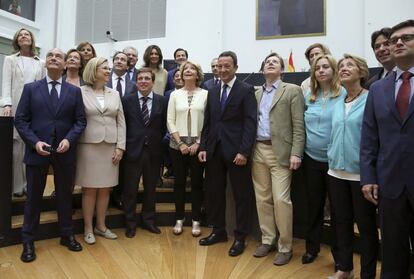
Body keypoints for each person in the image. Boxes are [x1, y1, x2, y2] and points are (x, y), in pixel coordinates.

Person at [14, 48, 86, 262]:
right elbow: (21, 120)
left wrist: (69, 139)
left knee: (64, 196)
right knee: (33, 198)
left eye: (58, 56)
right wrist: (35, 143)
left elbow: (80, 121)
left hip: (65, 151)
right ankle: (28, 240)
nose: (53, 58)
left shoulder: (75, 92)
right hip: (38, 151)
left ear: (65, 64)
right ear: (45, 63)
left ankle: (67, 234)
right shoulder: (30, 89)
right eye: (50, 56)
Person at [360, 19, 414, 278]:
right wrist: (368, 177)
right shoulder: (377, 89)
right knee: (392, 253)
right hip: (390, 185)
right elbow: (369, 138)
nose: (399, 43)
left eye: (407, 38)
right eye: (394, 40)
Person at [198, 51, 257, 257]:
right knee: (214, 193)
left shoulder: (246, 90)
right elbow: (208, 121)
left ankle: (240, 236)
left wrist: (244, 151)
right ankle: (219, 231)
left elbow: (250, 123)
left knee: (241, 195)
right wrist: (204, 147)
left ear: (235, 68)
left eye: (226, 66)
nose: (222, 70)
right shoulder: (212, 90)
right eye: (219, 66)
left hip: (236, 152)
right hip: (214, 150)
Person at [327, 54, 378, 279]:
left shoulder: (371, 99)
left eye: (350, 65)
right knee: (342, 224)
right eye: (341, 66)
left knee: (366, 229)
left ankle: (367, 274)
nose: (344, 68)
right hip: (335, 172)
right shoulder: (337, 102)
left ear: (362, 72)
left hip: (361, 175)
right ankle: (344, 268)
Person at [251, 52, 304, 265]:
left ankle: (285, 246)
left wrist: (296, 152)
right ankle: (267, 239)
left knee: (281, 200)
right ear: (262, 69)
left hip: (281, 152)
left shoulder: (292, 90)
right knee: (262, 198)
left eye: (275, 62)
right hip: (258, 150)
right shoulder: (255, 93)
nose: (270, 64)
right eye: (267, 62)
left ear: (282, 70)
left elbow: (299, 126)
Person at [75, 57, 126, 244]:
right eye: (104, 68)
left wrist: (120, 146)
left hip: (110, 147)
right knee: (89, 189)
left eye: (108, 68)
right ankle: (88, 228)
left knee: (106, 188)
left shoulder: (115, 94)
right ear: (93, 70)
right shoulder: (79, 92)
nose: (108, 71)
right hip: (88, 146)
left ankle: (101, 226)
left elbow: (121, 122)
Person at [301, 54, 345, 265]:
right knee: (314, 205)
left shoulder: (343, 93)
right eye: (317, 68)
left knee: (337, 209)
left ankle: (339, 256)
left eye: (326, 67)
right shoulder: (309, 94)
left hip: (334, 160)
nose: (321, 70)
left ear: (333, 70)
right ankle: (312, 248)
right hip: (311, 158)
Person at [121, 67, 168, 238]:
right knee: (130, 190)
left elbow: (163, 126)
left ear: (153, 82)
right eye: (140, 78)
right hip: (132, 151)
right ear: (136, 81)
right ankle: (130, 223)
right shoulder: (127, 101)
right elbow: (123, 125)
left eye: (147, 78)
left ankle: (149, 221)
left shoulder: (162, 101)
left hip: (153, 152)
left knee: (150, 189)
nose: (143, 81)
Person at [1, 28, 46, 197]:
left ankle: (30, 186)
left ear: (32, 39)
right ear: (17, 40)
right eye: (20, 35)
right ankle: (17, 187)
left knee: (32, 146)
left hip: (35, 110)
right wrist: (7, 104)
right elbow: (6, 84)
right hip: (16, 108)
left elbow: (42, 87)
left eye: (27, 34)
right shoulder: (10, 60)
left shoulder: (40, 63)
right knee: (16, 149)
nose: (24, 36)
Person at [167, 61, 207, 236]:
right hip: (178, 146)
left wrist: (198, 143)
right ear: (181, 75)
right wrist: (181, 143)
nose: (188, 71)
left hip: (199, 146)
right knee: (180, 183)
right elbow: (170, 120)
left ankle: (196, 220)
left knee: (197, 184)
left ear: (198, 74)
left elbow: (209, 121)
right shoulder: (174, 95)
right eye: (185, 69)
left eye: (192, 69)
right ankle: (179, 218)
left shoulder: (206, 94)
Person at [163, 69, 185, 179]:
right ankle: (171, 167)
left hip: (186, 127)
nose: (179, 78)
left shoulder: (191, 92)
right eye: (176, 76)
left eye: (181, 75)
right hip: (170, 126)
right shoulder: (167, 93)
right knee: (164, 140)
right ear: (173, 79)